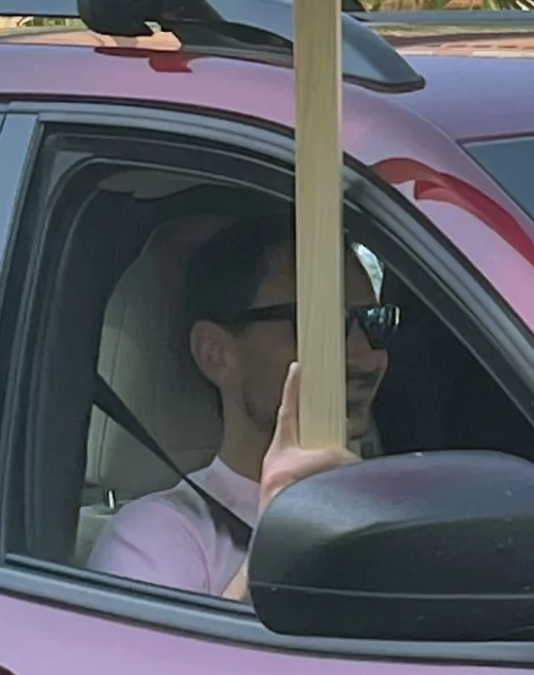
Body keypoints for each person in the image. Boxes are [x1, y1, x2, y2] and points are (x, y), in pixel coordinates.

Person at [89, 213, 390, 600]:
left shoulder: (395, 506)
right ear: (217, 354)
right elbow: (161, 664)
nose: (368, 359)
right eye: (321, 326)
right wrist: (280, 540)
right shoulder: (159, 535)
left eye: (375, 322)